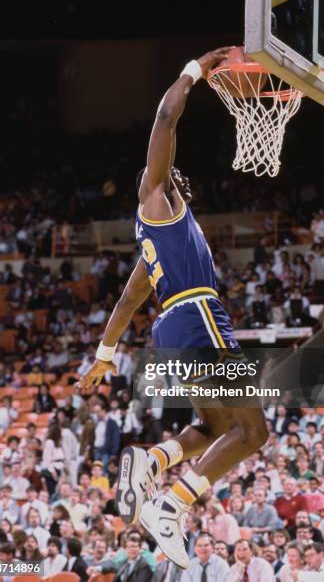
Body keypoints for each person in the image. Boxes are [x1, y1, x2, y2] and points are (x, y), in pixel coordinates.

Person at [79, 47, 268, 569]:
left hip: (170, 330)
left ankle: (153, 460)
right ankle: (172, 503)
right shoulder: (158, 202)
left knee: (215, 428)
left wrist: (105, 353)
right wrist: (196, 68)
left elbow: (130, 298)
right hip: (194, 318)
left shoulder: (154, 242)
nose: (159, 173)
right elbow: (166, 116)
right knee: (254, 430)